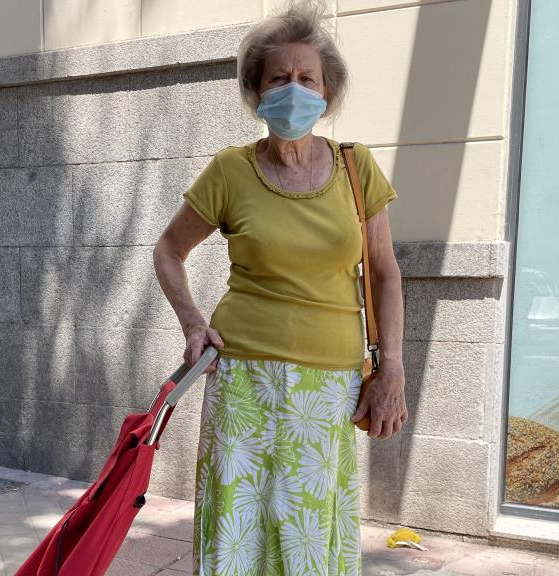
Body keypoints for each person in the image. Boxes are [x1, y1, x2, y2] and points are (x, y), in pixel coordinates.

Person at [152, 1, 407, 573]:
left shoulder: (356, 168)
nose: (295, 89)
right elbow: (168, 250)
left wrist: (392, 365)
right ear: (256, 90)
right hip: (241, 378)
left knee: (313, 537)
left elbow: (386, 272)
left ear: (327, 90)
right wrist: (193, 323)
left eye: (307, 78)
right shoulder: (230, 171)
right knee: (237, 533)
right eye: (280, 78)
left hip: (331, 385)